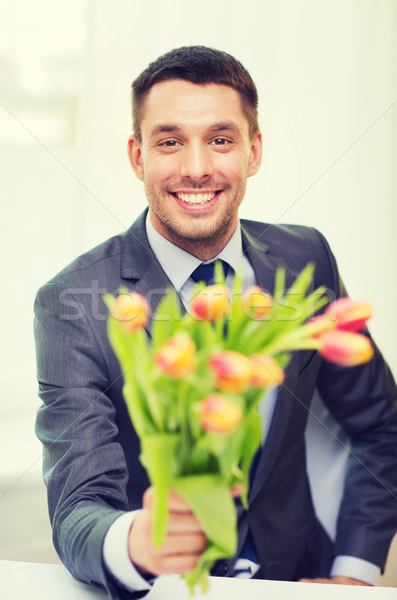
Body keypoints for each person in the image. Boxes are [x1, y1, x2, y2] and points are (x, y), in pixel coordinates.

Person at [34, 46, 397, 599]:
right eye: (170, 141)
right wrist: (137, 542)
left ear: (253, 151)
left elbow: (381, 426)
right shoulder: (70, 301)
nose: (197, 167)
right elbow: (78, 509)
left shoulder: (307, 259)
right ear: (137, 156)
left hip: (298, 580)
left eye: (221, 139)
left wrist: (354, 571)